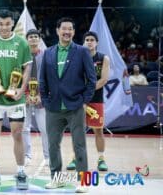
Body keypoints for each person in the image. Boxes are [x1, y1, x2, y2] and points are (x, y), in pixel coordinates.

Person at [39, 17, 96, 192]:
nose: (67, 32)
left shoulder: (82, 52)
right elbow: (42, 81)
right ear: (57, 31)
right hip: (53, 108)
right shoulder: (48, 53)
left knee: (79, 145)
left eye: (70, 29)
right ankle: (56, 178)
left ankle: (84, 182)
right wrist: (46, 101)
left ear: (73, 32)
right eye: (64, 29)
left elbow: (92, 80)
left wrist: (84, 101)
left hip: (75, 107)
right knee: (52, 145)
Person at [0, 9, 32, 190]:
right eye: (1, 24)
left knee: (18, 134)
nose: (4, 27)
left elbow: (27, 69)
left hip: (15, 98)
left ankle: (21, 172)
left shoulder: (22, 43)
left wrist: (22, 89)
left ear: (12, 23)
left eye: (7, 24)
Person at [66, 31, 110, 172]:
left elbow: (103, 80)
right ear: (84, 42)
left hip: (96, 100)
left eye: (92, 39)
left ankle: (101, 159)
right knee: (77, 131)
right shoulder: (77, 58)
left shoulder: (103, 58)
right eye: (87, 39)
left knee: (98, 131)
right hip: (79, 100)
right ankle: (74, 158)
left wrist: (88, 91)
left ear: (96, 43)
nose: (89, 42)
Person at [22, 29, 49, 167]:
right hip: (24, 98)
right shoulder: (21, 56)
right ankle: (26, 155)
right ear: (27, 40)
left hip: (41, 98)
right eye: (30, 36)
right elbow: (17, 77)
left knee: (44, 129)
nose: (33, 39)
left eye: (35, 37)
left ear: (39, 40)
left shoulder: (46, 56)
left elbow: (49, 78)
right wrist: (24, 94)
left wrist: (41, 95)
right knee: (24, 129)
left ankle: (48, 157)